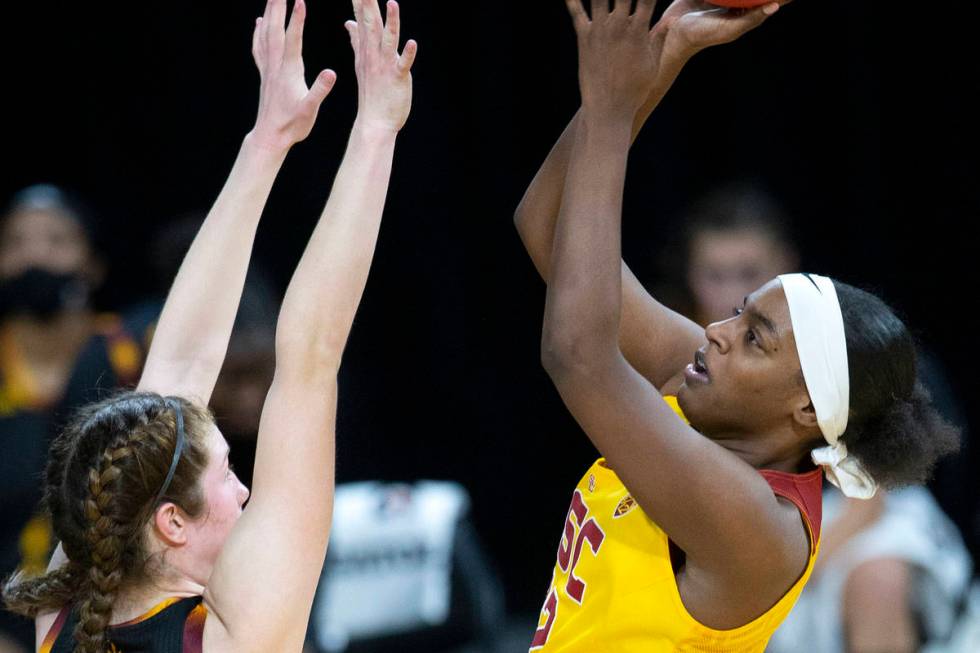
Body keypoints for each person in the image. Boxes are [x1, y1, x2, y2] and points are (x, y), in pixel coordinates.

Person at [513, 1, 958, 650]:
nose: (717, 331)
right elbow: (545, 227)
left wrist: (611, 104)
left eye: (755, 337)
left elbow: (577, 355)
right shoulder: (707, 386)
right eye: (736, 311)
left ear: (805, 406)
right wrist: (661, 60)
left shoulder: (756, 522)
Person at [1, 0, 417, 652]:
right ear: (171, 522)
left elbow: (182, 365)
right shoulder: (234, 629)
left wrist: (268, 141)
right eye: (225, 473)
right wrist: (376, 130)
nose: (244, 486)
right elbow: (308, 356)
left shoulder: (65, 604)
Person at [0, 184, 148, 653]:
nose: (34, 257)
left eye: (56, 241)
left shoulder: (133, 356)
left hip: (127, 619)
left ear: (92, 265)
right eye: (14, 243)